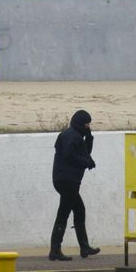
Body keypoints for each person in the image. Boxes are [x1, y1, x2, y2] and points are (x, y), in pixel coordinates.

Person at [49, 109, 100, 261]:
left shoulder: (71, 135)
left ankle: (84, 247)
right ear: (80, 123)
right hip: (67, 181)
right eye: (86, 124)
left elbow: (84, 153)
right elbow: (71, 156)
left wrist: (89, 139)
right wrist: (87, 163)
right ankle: (55, 250)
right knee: (64, 213)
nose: (88, 127)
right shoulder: (72, 136)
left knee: (78, 209)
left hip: (63, 180)